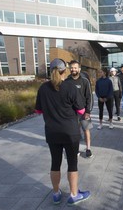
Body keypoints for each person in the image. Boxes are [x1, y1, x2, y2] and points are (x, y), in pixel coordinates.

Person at [35, 58, 90, 206]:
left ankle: (56, 194)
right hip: (70, 132)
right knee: (72, 163)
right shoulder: (70, 87)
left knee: (55, 163)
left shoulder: (43, 88)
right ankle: (74, 194)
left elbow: (38, 110)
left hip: (52, 132)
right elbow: (81, 110)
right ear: (64, 70)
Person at [66, 60, 94, 158]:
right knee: (75, 131)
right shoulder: (67, 81)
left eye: (75, 67)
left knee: (86, 129)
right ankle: (76, 149)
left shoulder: (84, 81)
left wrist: (88, 111)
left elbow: (89, 97)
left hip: (83, 112)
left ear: (79, 69)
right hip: (71, 113)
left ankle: (88, 149)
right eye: (71, 67)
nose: (73, 69)